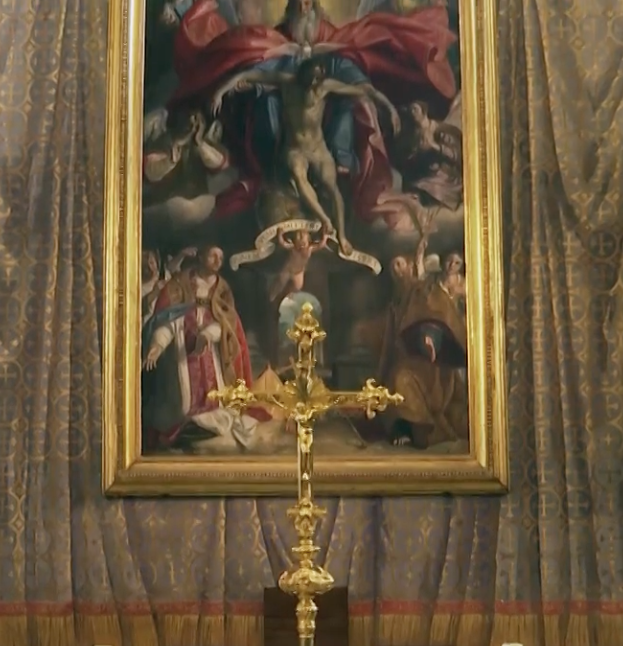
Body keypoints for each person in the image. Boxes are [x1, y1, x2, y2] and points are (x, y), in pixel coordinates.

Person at [165, 0, 458, 225]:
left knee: (349, 105)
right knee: (266, 104)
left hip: (321, 126)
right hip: (288, 123)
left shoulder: (331, 47)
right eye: (300, 4)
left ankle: (343, 165)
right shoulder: (277, 42)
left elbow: (354, 74)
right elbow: (259, 70)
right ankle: (269, 167)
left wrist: (385, 104)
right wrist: (227, 86)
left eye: (309, 3)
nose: (305, 7)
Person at [212, 57, 400, 253]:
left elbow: (364, 90)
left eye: (317, 80)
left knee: (333, 189)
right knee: (298, 175)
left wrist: (389, 107)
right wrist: (220, 92)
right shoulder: (287, 82)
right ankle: (324, 219)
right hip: (295, 149)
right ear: (302, 76)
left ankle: (342, 237)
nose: (313, 84)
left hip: (318, 149)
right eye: (310, 79)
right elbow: (249, 75)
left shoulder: (325, 87)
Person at [141, 246, 268, 450]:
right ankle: (186, 425)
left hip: (211, 355)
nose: (218, 261)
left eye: (221, 257)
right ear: (200, 257)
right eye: (213, 256)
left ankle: (204, 422)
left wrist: (207, 335)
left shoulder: (222, 288)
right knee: (183, 403)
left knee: (216, 399)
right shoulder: (179, 287)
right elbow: (167, 323)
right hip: (180, 358)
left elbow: (226, 322)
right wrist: (157, 346)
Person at [378, 248, 469, 449]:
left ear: (410, 267)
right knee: (397, 377)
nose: (397, 271)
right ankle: (404, 428)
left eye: (400, 265)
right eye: (393, 267)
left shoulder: (423, 291)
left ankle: (420, 429)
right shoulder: (399, 299)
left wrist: (429, 337)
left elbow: (433, 316)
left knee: (404, 378)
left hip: (435, 361)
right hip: (412, 359)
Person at [269, 227, 330, 301]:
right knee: (280, 283)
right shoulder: (292, 247)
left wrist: (325, 236)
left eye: (304, 241)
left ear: (308, 241)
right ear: (294, 241)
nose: (301, 245)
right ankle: (272, 296)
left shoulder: (310, 249)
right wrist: (280, 235)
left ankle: (288, 298)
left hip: (299, 272)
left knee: (297, 288)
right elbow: (283, 243)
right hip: (288, 270)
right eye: (299, 240)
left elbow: (321, 245)